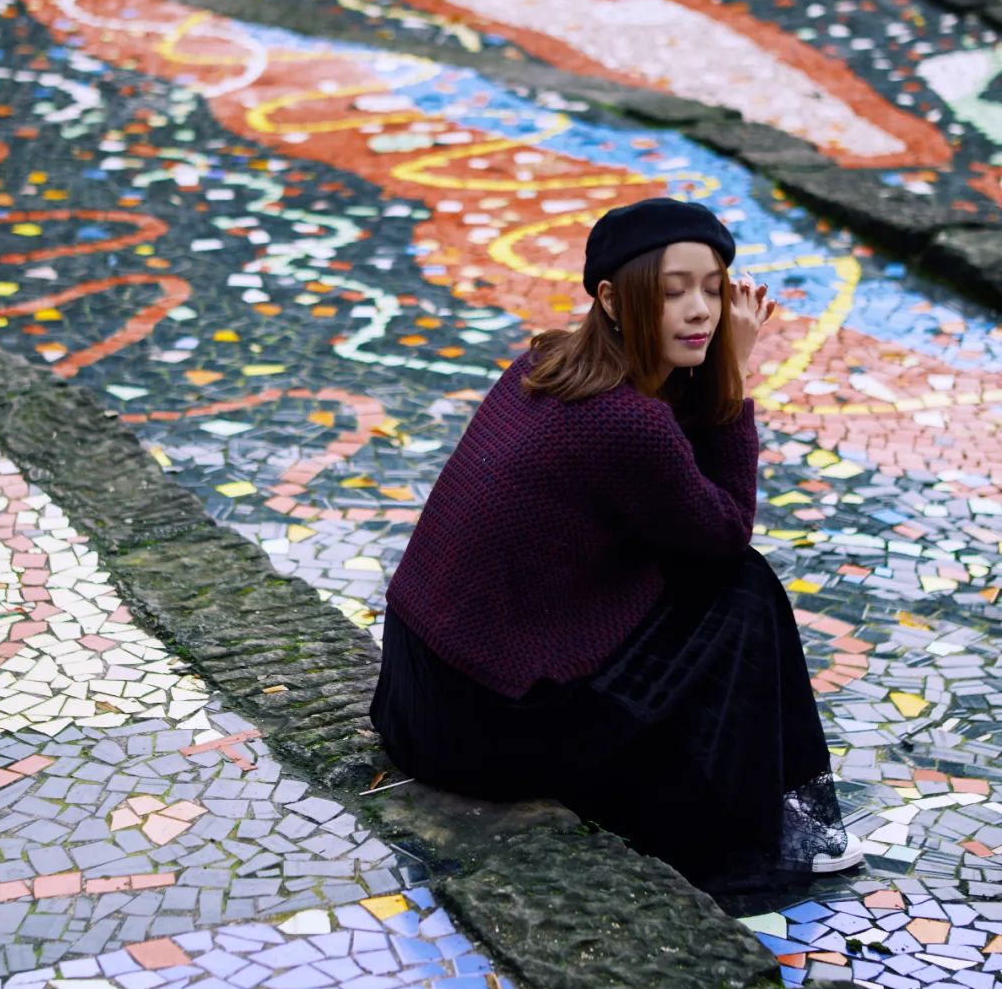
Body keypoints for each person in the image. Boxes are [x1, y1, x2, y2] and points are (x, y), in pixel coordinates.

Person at [370, 197, 863, 893]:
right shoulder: (626, 423)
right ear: (609, 297)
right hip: (479, 734)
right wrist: (733, 379)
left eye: (714, 289)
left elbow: (673, 489)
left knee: (691, 577)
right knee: (740, 588)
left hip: (415, 697)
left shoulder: (545, 362)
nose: (701, 311)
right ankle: (758, 821)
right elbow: (723, 533)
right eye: (672, 292)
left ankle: (752, 793)